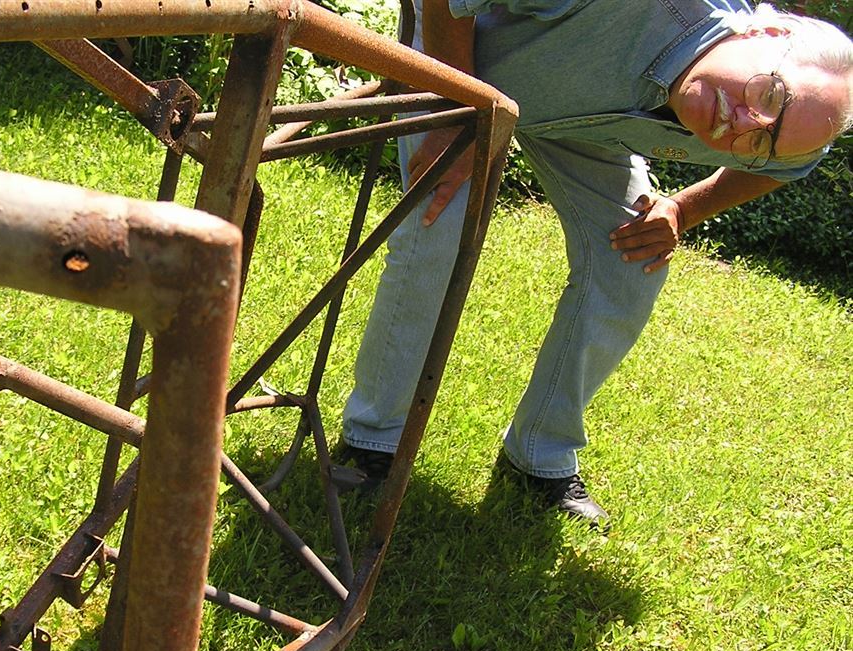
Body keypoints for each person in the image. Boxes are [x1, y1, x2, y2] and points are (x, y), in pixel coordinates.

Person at [338, 0, 853, 526]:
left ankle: (538, 453)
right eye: (770, 93)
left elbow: (784, 166)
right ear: (765, 31)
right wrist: (461, 109)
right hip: (463, 63)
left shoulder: (787, 138)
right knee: (441, 228)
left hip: (575, 122)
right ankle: (373, 440)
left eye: (763, 138)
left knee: (630, 261)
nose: (743, 123)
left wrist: (682, 207)